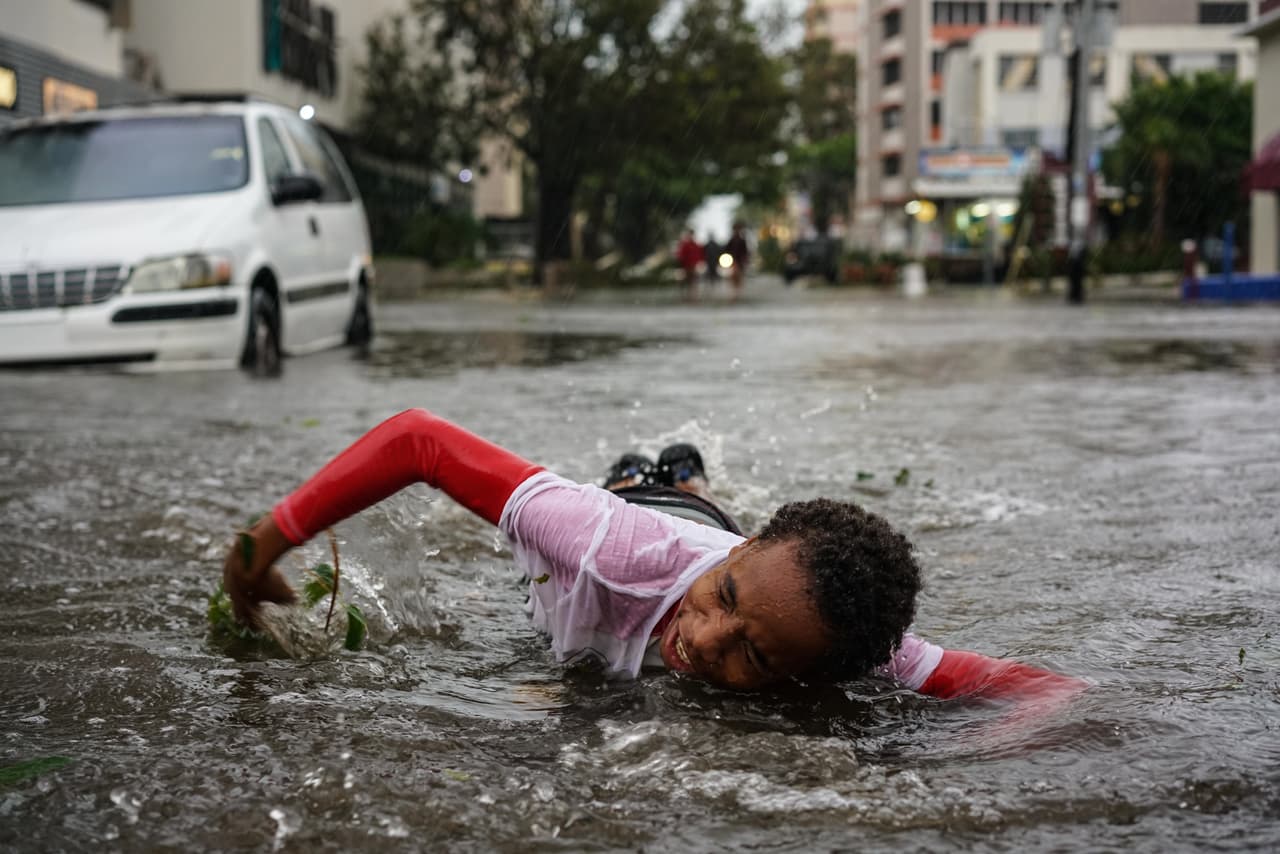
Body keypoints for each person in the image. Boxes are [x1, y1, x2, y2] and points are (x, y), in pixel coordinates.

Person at [223, 409, 1084, 700]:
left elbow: (1032, 689)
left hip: (715, 536)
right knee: (642, 482)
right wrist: (268, 539)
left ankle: (685, 478)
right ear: (744, 553)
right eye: (727, 603)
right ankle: (665, 476)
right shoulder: (600, 547)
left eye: (753, 656)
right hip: (649, 519)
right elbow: (418, 441)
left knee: (698, 513)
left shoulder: (850, 643)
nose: (706, 641)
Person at [675, 230, 704, 301]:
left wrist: (698, 264)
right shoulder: (685, 245)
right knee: (684, 282)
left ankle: (693, 297)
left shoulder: (696, 245)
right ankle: (685, 297)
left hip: (693, 266)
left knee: (693, 282)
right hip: (685, 266)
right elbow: (681, 256)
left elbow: (700, 256)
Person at [725, 222, 750, 299]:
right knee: (732, 277)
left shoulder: (742, 241)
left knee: (738, 278)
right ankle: (734, 293)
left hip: (739, 262)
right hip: (732, 262)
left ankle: (737, 293)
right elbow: (726, 251)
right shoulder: (731, 240)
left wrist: (745, 260)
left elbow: (745, 252)